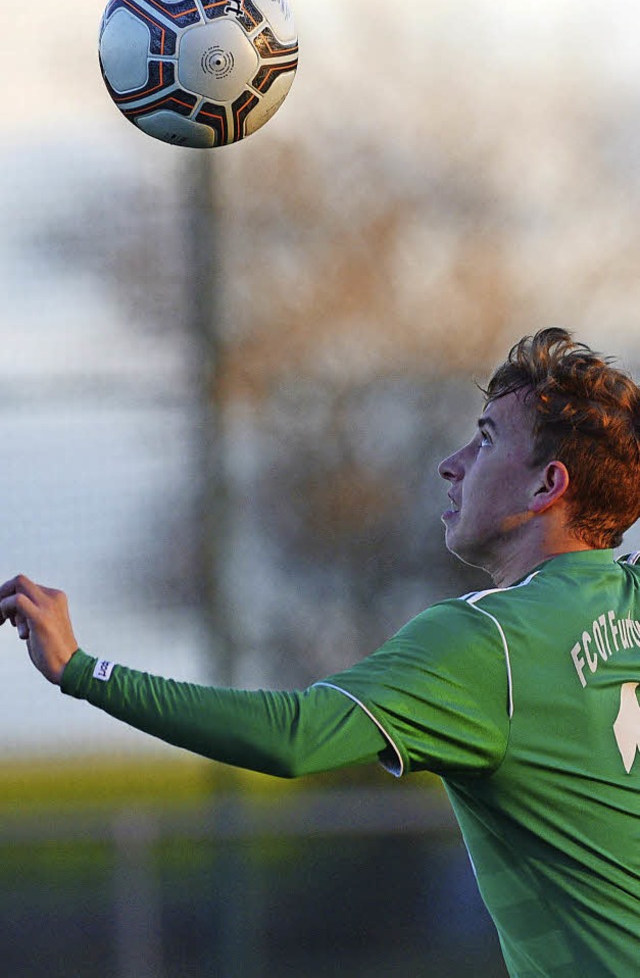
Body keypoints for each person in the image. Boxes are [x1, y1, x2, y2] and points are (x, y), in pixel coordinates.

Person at [2, 326, 640, 976]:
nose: (452, 462)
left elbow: (297, 735)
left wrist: (84, 670)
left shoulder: (489, 640)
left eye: (485, 438)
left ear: (546, 487)